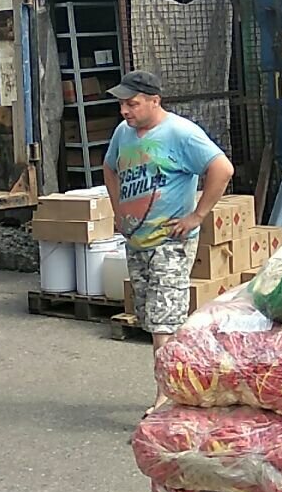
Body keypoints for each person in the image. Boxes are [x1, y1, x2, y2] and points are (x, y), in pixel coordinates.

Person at [101, 70, 235, 415]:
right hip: (137, 240)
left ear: (154, 101)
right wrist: (118, 211)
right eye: (122, 105)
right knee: (152, 319)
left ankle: (165, 397)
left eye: (132, 104)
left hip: (171, 241)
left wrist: (197, 215)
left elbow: (222, 169)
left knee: (163, 322)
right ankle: (186, 382)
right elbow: (109, 168)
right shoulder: (123, 133)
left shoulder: (181, 133)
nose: (125, 111)